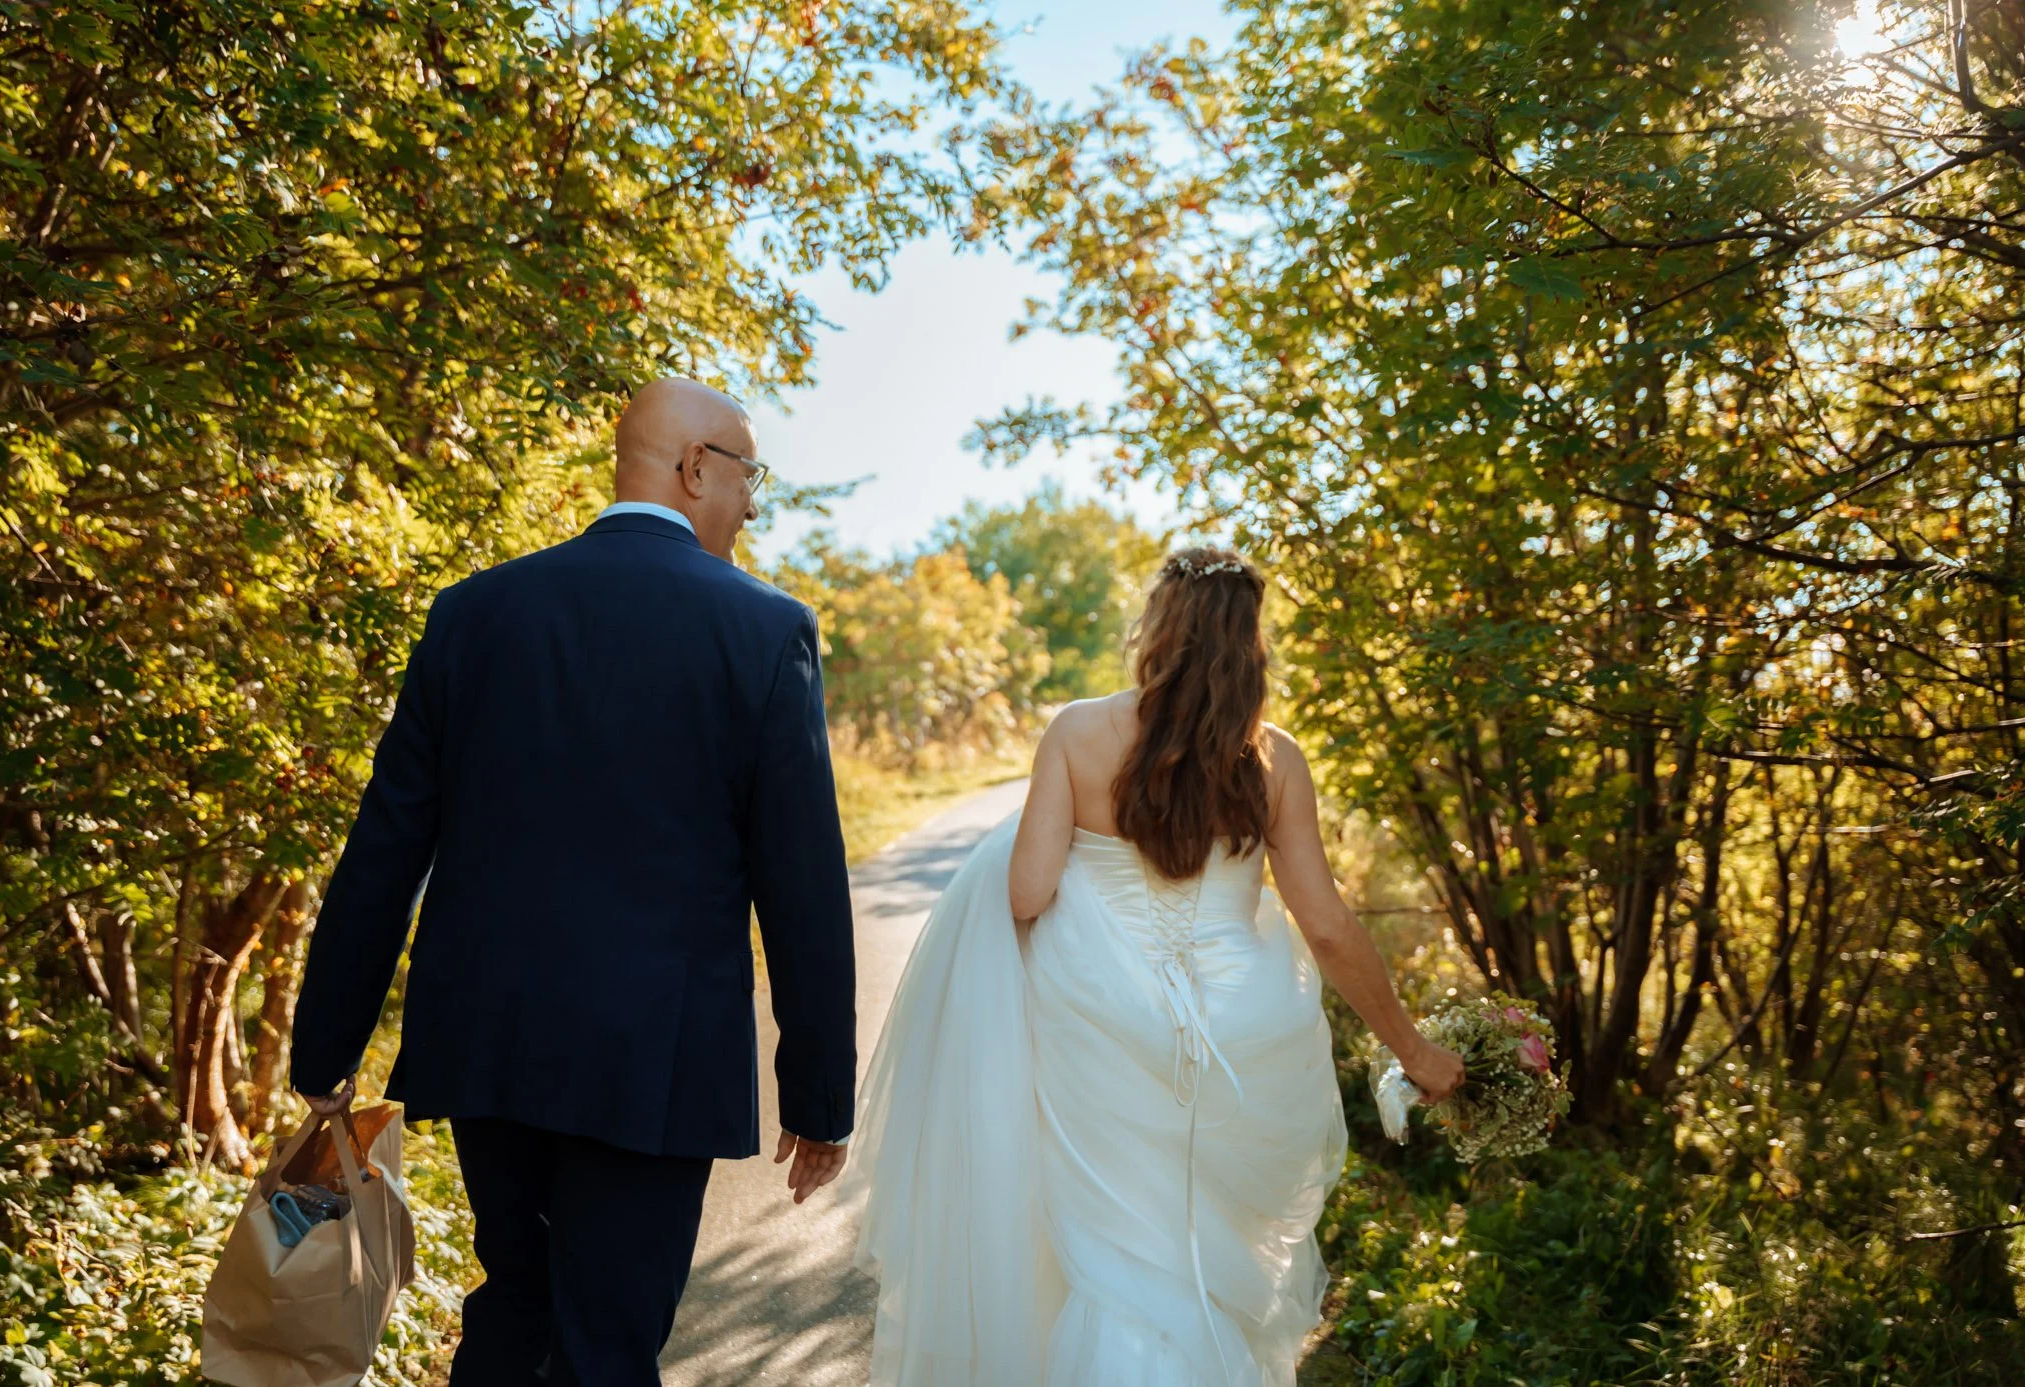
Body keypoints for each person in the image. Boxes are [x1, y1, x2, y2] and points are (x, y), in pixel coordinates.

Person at [287, 379, 856, 1387]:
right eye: (748, 475)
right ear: (694, 468)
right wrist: (818, 1095)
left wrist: (325, 1045)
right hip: (655, 1057)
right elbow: (801, 883)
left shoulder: (473, 612)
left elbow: (386, 844)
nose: (750, 503)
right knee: (607, 1343)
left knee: (516, 1307)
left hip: (488, 1045)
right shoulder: (765, 629)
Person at [844, 546, 1465, 1386]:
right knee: (1205, 1255)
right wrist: (1412, 1048)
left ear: (1158, 629)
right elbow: (1325, 926)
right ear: (1249, 644)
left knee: (1120, 1261)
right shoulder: (1274, 759)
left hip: (1099, 1025)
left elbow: (1026, 893)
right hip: (1244, 1032)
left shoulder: (1077, 732)